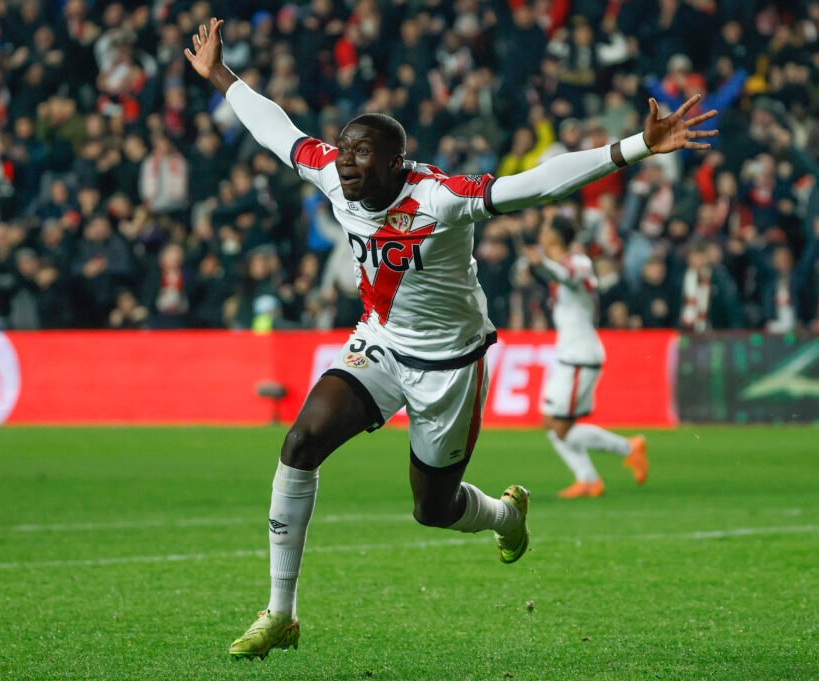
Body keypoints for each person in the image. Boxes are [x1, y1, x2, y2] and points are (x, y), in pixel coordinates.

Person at [185, 17, 716, 660]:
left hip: (449, 365)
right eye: (343, 149)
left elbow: (535, 184)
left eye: (360, 153)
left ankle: (506, 516)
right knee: (301, 443)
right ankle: (280, 612)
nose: (344, 160)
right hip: (380, 343)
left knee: (432, 510)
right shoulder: (331, 173)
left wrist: (634, 147)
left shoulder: (441, 197)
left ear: (395, 163)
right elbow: (278, 130)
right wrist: (221, 75)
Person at [525, 215, 648, 499]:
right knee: (553, 425)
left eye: (546, 228)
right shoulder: (556, 266)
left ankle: (627, 449)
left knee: (558, 427)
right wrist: (539, 265)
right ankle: (589, 479)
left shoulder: (578, 262)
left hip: (580, 356)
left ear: (556, 236)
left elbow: (567, 276)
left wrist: (541, 264)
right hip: (569, 356)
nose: (541, 232)